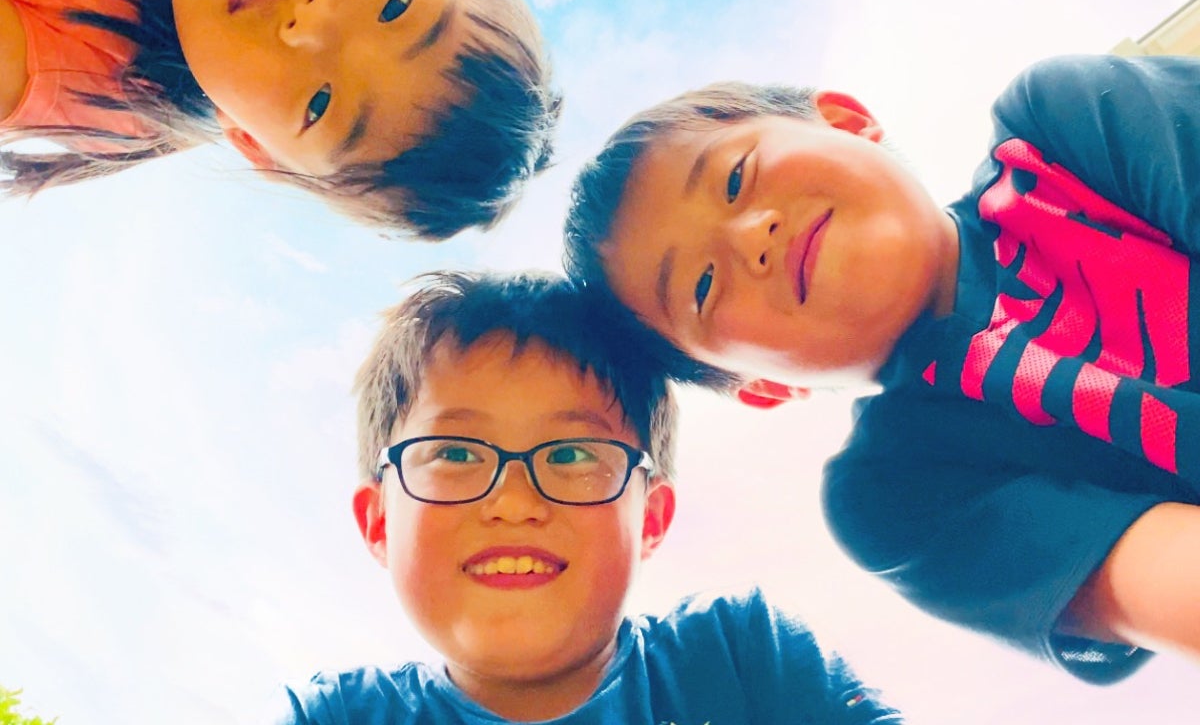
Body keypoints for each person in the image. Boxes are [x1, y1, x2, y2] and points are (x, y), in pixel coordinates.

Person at [561, 54, 1200, 685]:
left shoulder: (1058, 132)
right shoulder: (899, 492)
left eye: (735, 179)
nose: (753, 235)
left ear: (846, 121)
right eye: (702, 287)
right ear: (767, 388)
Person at [268, 270, 903, 723]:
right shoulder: (334, 716)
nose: (514, 502)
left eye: (572, 456)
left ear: (650, 517)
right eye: (456, 454)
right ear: (378, 522)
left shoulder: (741, 660)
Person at [0, 0, 559, 239]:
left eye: (320, 104)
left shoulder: (109, 84)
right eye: (397, 7)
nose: (311, 23)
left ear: (250, 139)